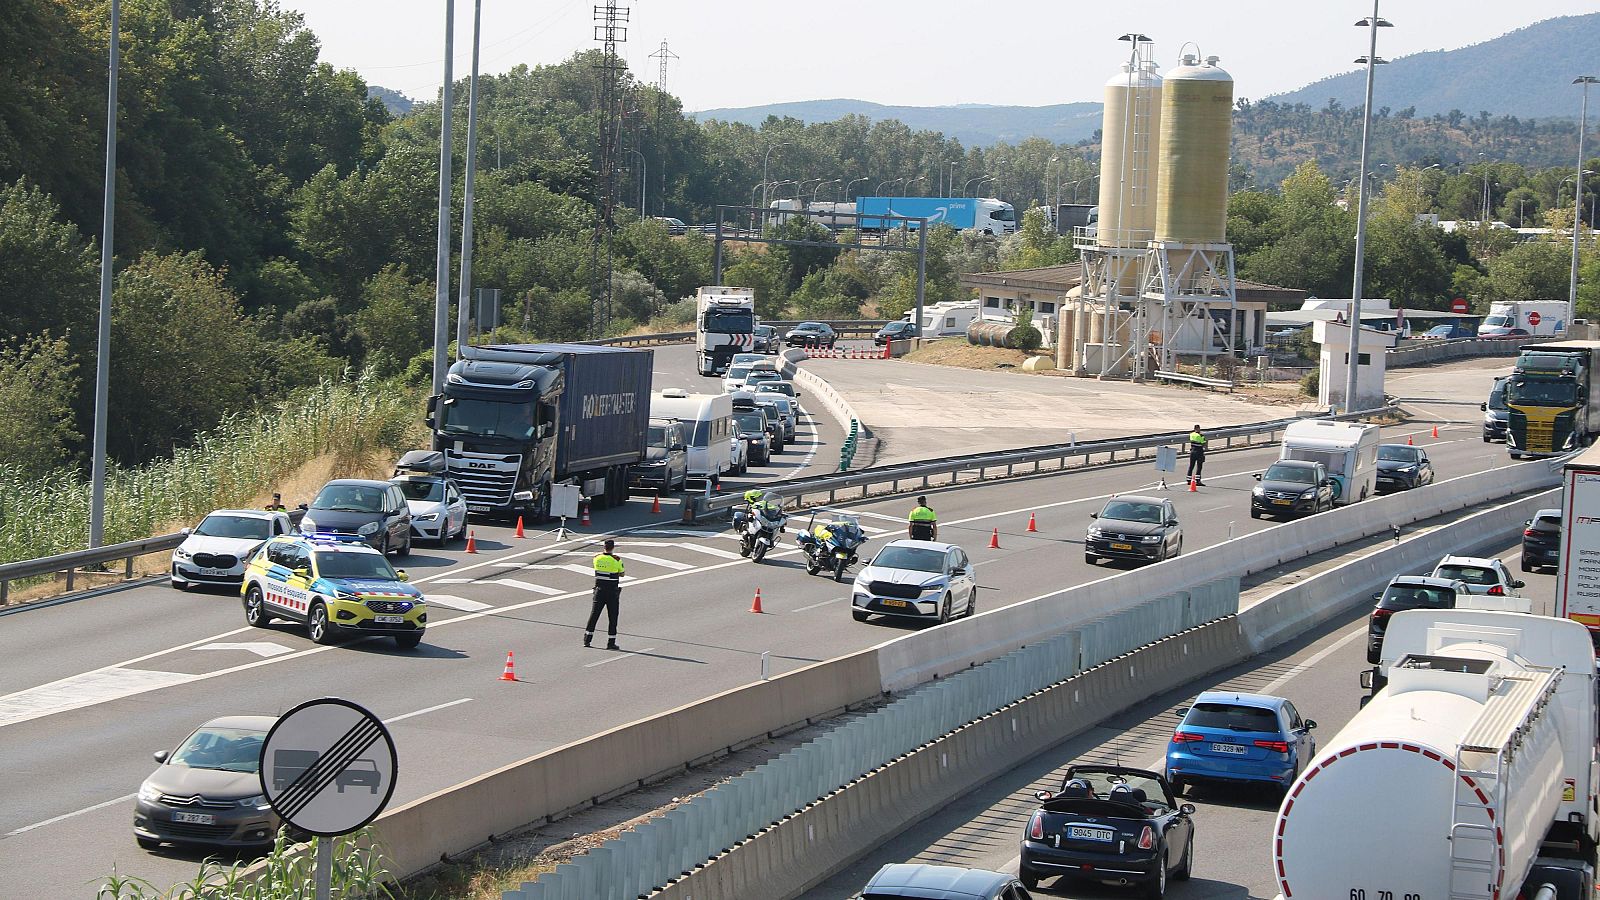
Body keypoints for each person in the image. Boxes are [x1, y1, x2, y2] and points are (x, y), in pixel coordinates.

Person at [584, 539, 624, 650]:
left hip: (599, 591)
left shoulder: (596, 558)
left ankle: (587, 639)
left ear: (604, 547)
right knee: (613, 617)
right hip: (612, 592)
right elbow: (622, 573)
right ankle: (611, 643)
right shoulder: (616, 560)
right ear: (613, 547)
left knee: (594, 615)